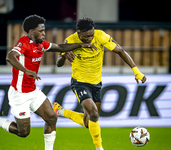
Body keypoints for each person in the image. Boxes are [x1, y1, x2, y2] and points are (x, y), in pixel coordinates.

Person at [0, 15, 97, 150]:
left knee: (52, 118)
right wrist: (25, 70)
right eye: (40, 31)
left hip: (33, 91)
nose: (44, 33)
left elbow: (59, 47)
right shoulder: (23, 43)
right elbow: (10, 56)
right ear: (30, 31)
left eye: (44, 30)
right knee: (23, 132)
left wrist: (81, 45)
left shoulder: (41, 44)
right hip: (19, 94)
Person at [53, 17, 147, 150]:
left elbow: (120, 51)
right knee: (94, 114)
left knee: (89, 122)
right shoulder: (70, 41)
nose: (90, 38)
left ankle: (60, 111)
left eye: (91, 35)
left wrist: (136, 71)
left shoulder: (101, 36)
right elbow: (58, 64)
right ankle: (99, 148)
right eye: (86, 36)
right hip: (79, 82)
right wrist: (63, 55)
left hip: (96, 83)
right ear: (79, 33)